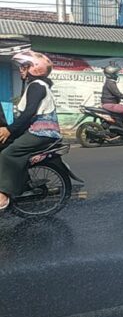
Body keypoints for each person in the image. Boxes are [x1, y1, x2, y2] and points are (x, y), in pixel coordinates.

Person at [0, 50, 62, 210]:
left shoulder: (37, 86)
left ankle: (3, 195)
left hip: (42, 133)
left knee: (8, 154)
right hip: (36, 131)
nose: (21, 70)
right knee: (5, 145)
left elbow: (29, 113)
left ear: (34, 68)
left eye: (24, 67)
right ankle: (21, 181)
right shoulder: (34, 86)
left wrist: (9, 130)